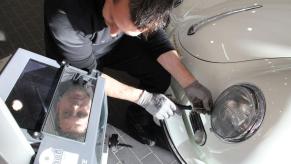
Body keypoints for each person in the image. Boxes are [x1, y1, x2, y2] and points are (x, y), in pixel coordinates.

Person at [44, 0, 213, 146]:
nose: (111, 32)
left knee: (159, 76)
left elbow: (153, 35)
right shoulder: (65, 15)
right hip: (75, 57)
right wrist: (144, 98)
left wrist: (190, 83)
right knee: (79, 92)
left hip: (116, 47)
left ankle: (136, 117)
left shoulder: (146, 8)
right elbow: (87, 74)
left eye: (124, 28)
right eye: (111, 18)